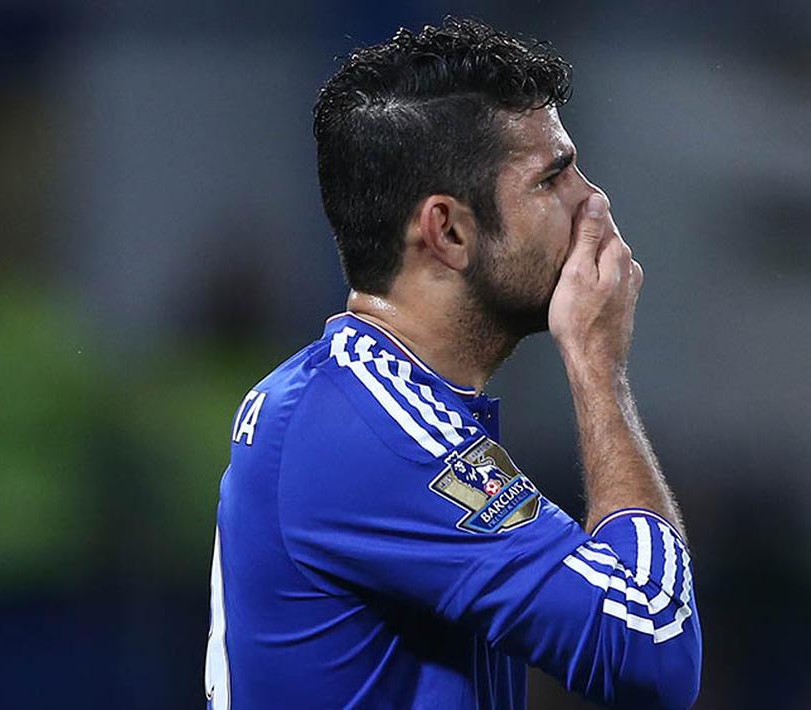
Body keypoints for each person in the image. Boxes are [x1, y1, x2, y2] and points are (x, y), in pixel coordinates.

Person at [204, 17, 701, 709]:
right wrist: (596, 366)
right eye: (552, 177)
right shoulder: (367, 431)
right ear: (449, 229)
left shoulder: (356, 399)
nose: (592, 200)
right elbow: (650, 647)